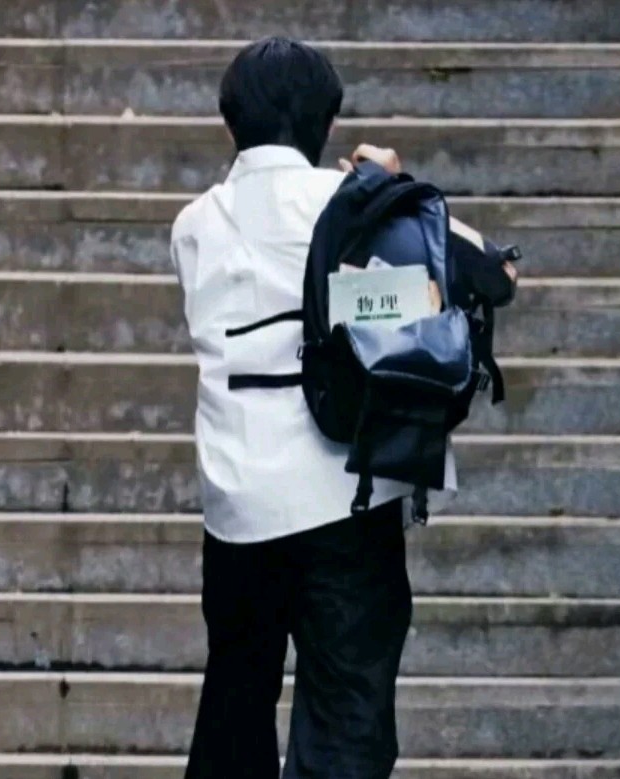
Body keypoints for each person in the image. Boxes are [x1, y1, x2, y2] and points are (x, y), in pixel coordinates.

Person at [170, 37, 517, 779]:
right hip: (344, 499)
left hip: (234, 511)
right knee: (345, 722)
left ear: (229, 122)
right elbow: (497, 272)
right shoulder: (352, 201)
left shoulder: (192, 225)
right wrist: (387, 185)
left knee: (234, 707)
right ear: (326, 121)